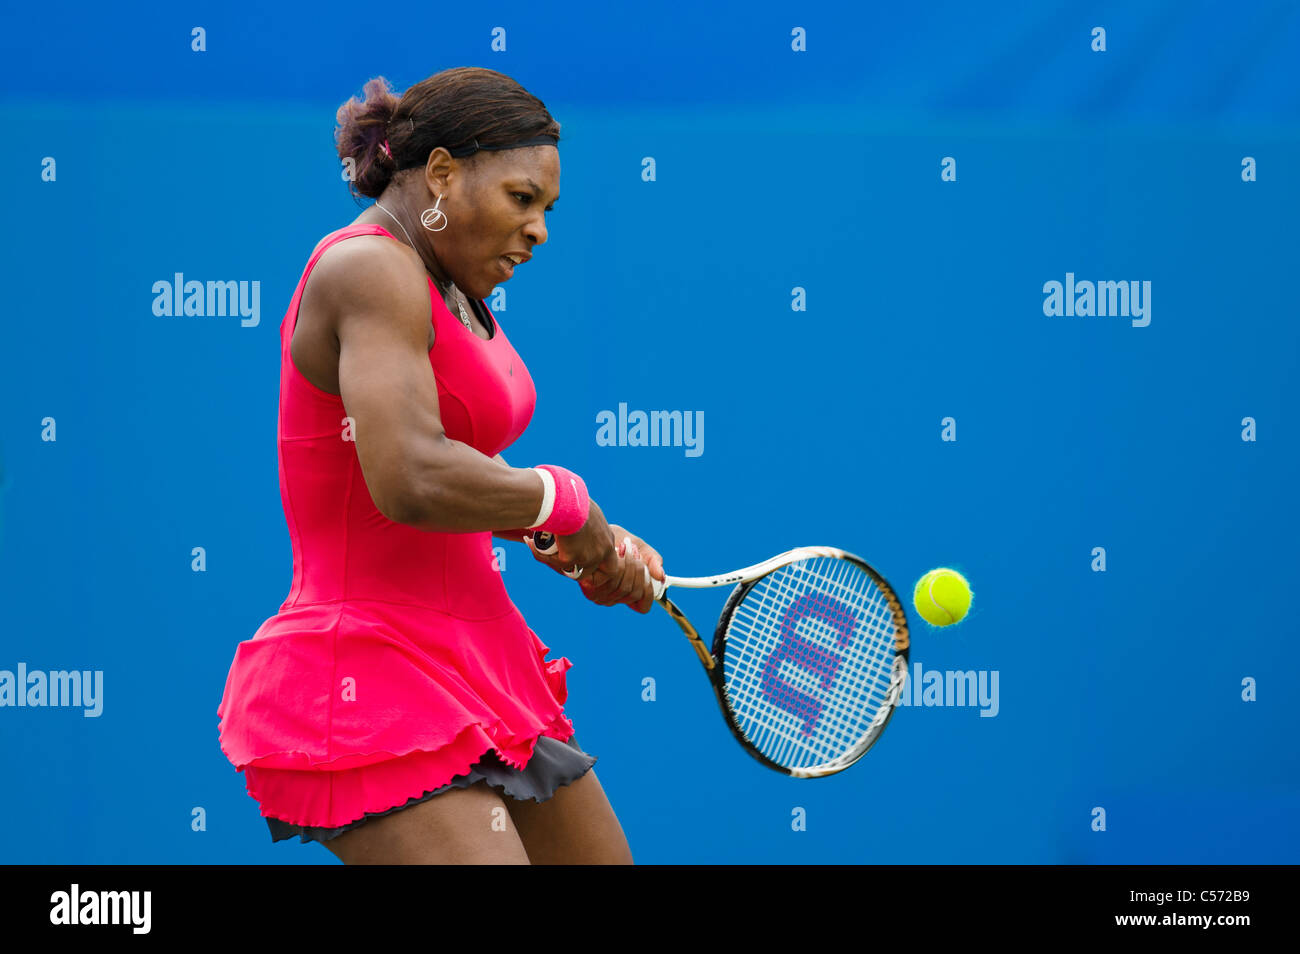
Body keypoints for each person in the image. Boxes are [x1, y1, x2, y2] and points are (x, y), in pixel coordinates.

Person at [216, 67, 664, 864]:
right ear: (445, 173)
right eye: (522, 199)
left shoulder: (447, 285)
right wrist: (562, 504)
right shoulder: (369, 268)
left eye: (548, 211)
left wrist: (574, 541)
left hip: (482, 664)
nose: (540, 231)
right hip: (366, 668)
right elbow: (409, 476)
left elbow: (461, 463)